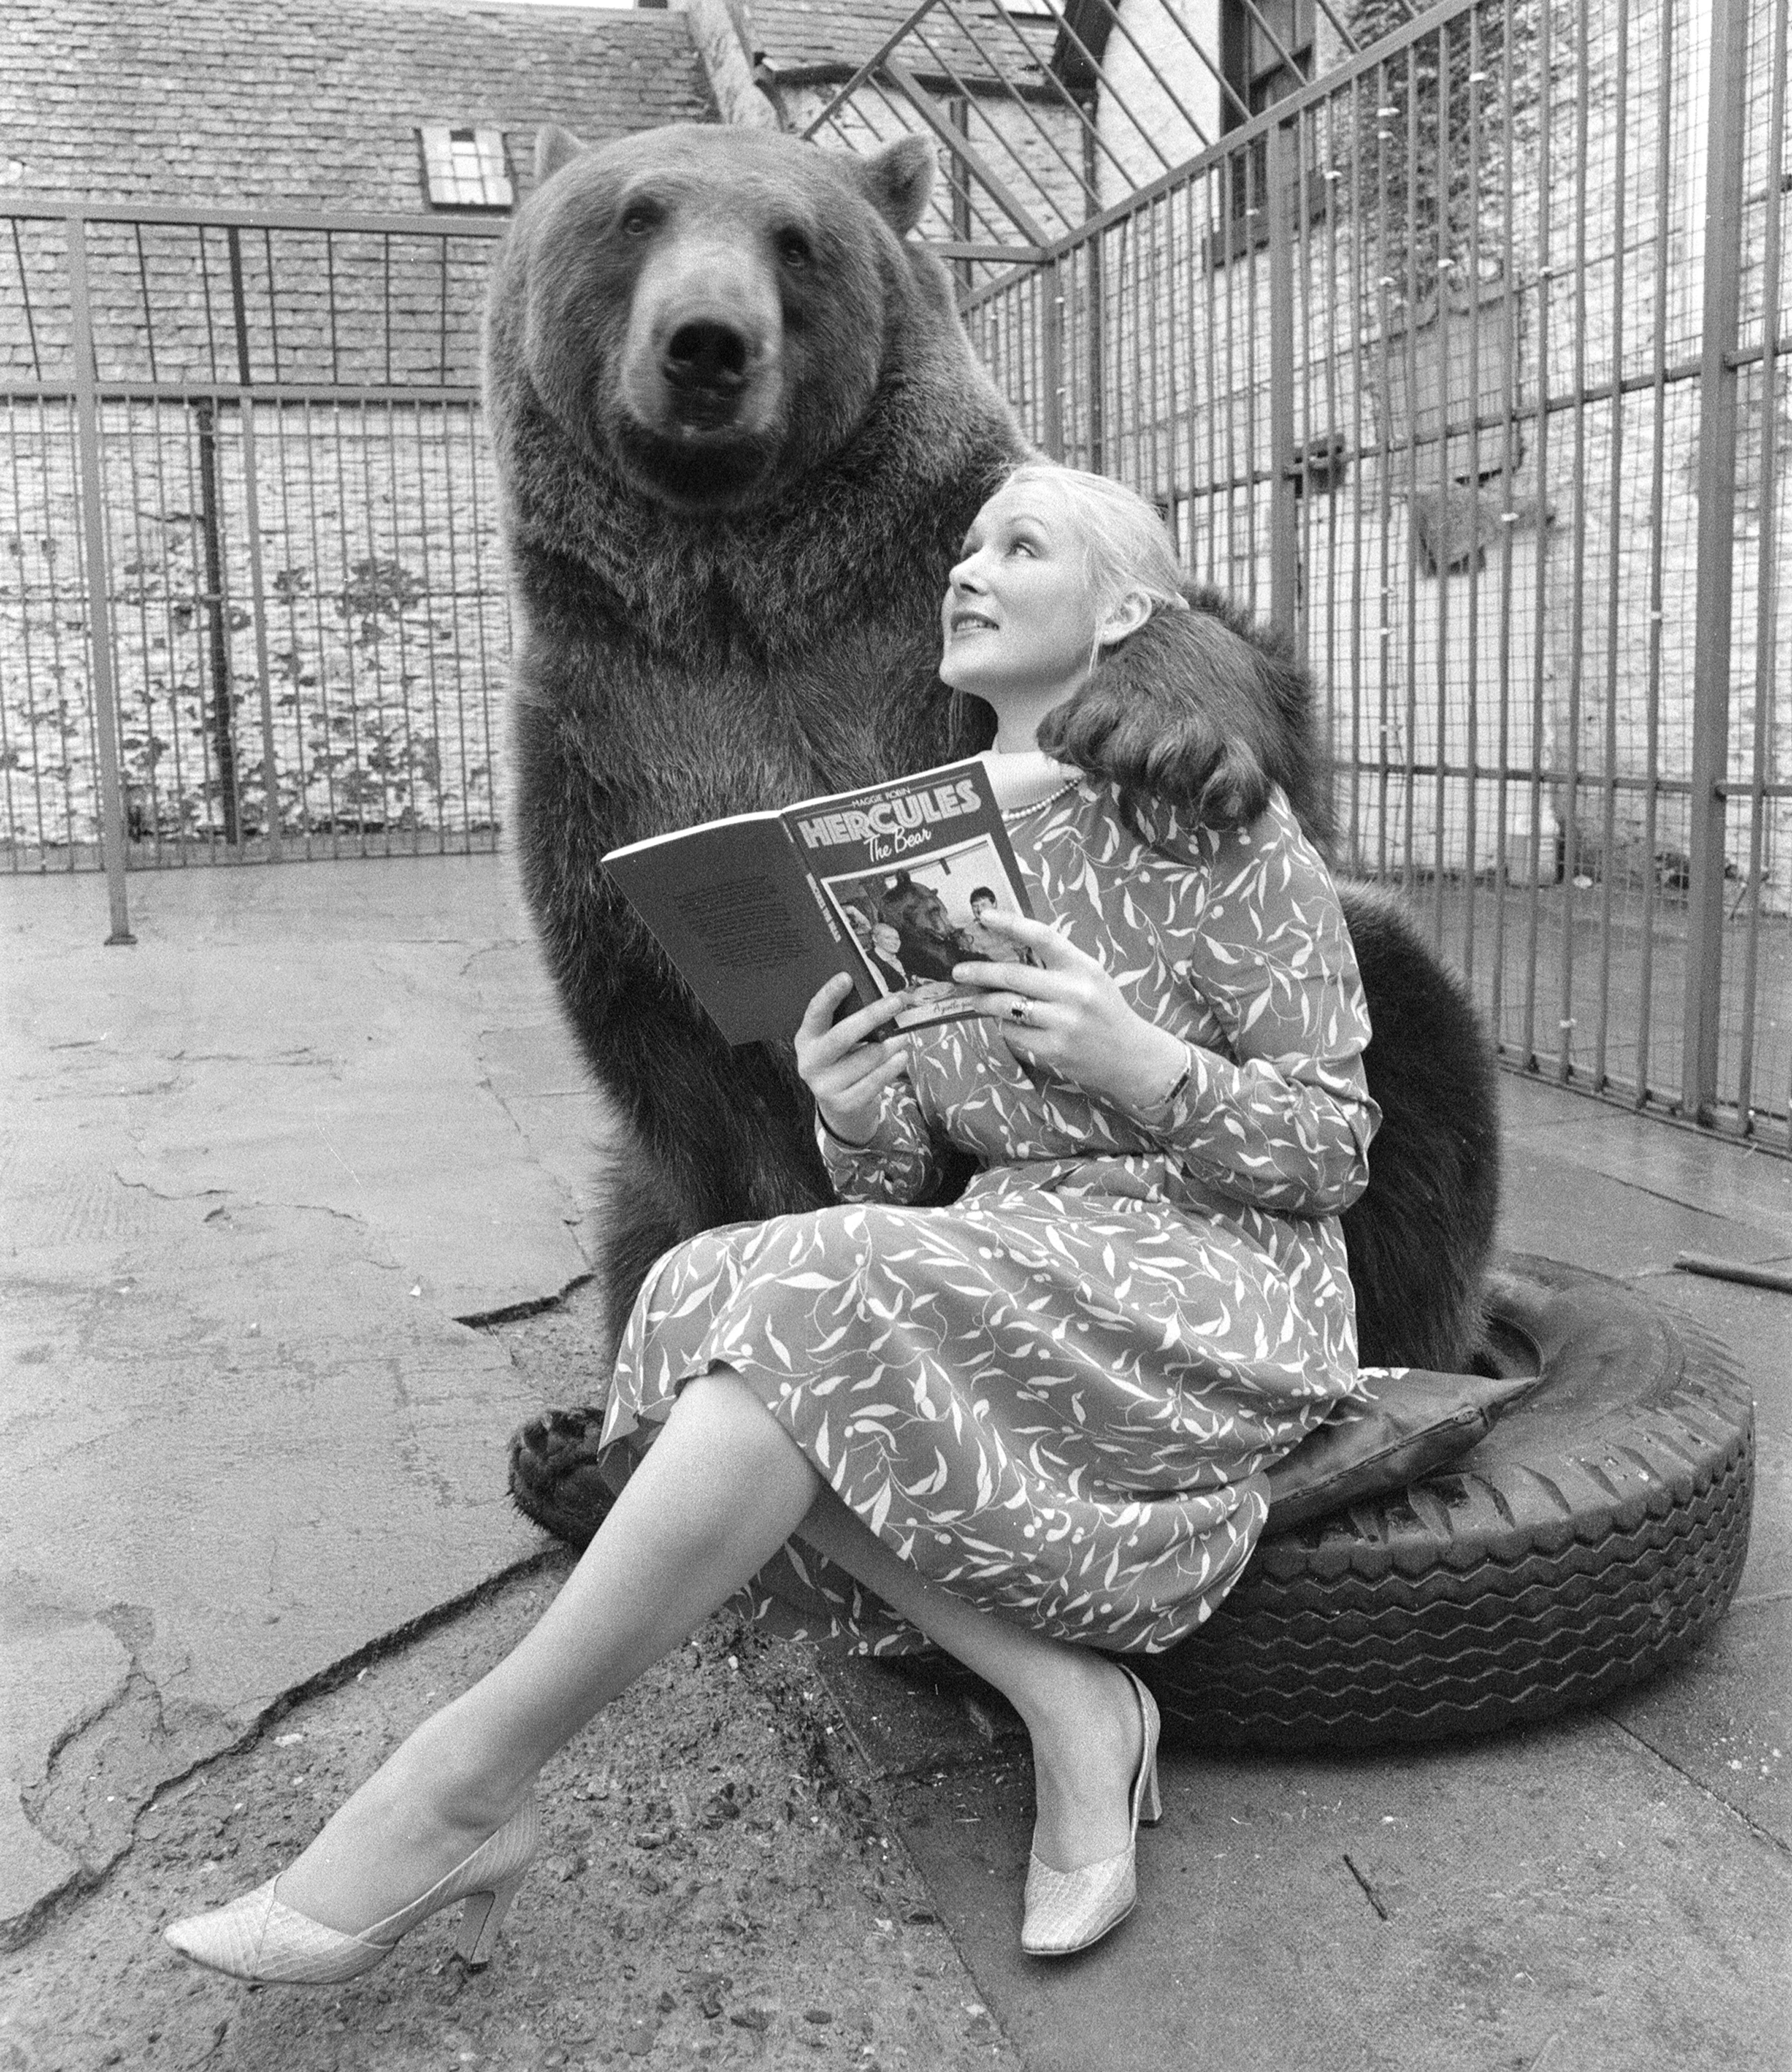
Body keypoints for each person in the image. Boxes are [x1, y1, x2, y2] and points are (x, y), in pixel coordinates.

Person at [163, 462, 1379, 1982]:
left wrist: (1147, 1063)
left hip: (1216, 1276)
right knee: (707, 1298)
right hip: (1013, 1254)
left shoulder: (1211, 821)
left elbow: (1333, 1146)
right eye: (963, 546)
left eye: (1022, 545)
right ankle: (1070, 1699)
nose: (968, 569)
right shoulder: (902, 851)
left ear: (1128, 609)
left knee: (781, 1316)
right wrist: (852, 1105)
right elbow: (904, 1184)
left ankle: (456, 1785)